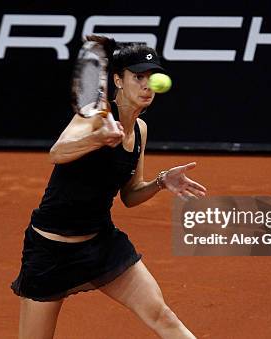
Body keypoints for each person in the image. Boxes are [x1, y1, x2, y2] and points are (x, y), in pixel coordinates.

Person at [11, 38, 207, 339]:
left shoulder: (140, 130)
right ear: (117, 80)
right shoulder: (93, 116)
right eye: (137, 77)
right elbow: (57, 152)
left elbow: (130, 195)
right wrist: (98, 139)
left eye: (150, 78)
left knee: (162, 315)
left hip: (101, 245)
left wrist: (161, 181)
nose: (147, 86)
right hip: (52, 251)